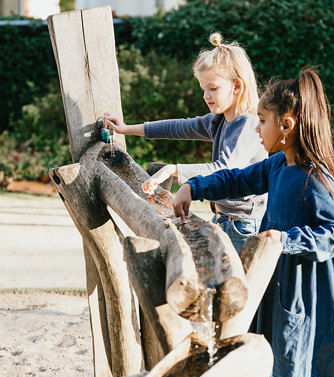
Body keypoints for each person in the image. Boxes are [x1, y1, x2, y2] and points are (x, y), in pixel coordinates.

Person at [172, 67, 334, 377]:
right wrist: (193, 188)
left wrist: (286, 240)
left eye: (262, 120)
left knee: (306, 375)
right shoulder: (278, 165)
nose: (256, 129)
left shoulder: (313, 176)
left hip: (310, 291)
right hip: (287, 285)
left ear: (286, 126)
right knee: (306, 373)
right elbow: (237, 178)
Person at [103, 32, 267, 254]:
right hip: (226, 220)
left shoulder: (247, 124)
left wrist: (173, 170)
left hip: (244, 227)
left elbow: (223, 169)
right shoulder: (220, 120)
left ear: (237, 86)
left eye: (213, 88)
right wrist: (126, 128)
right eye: (203, 89)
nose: (205, 95)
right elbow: (177, 127)